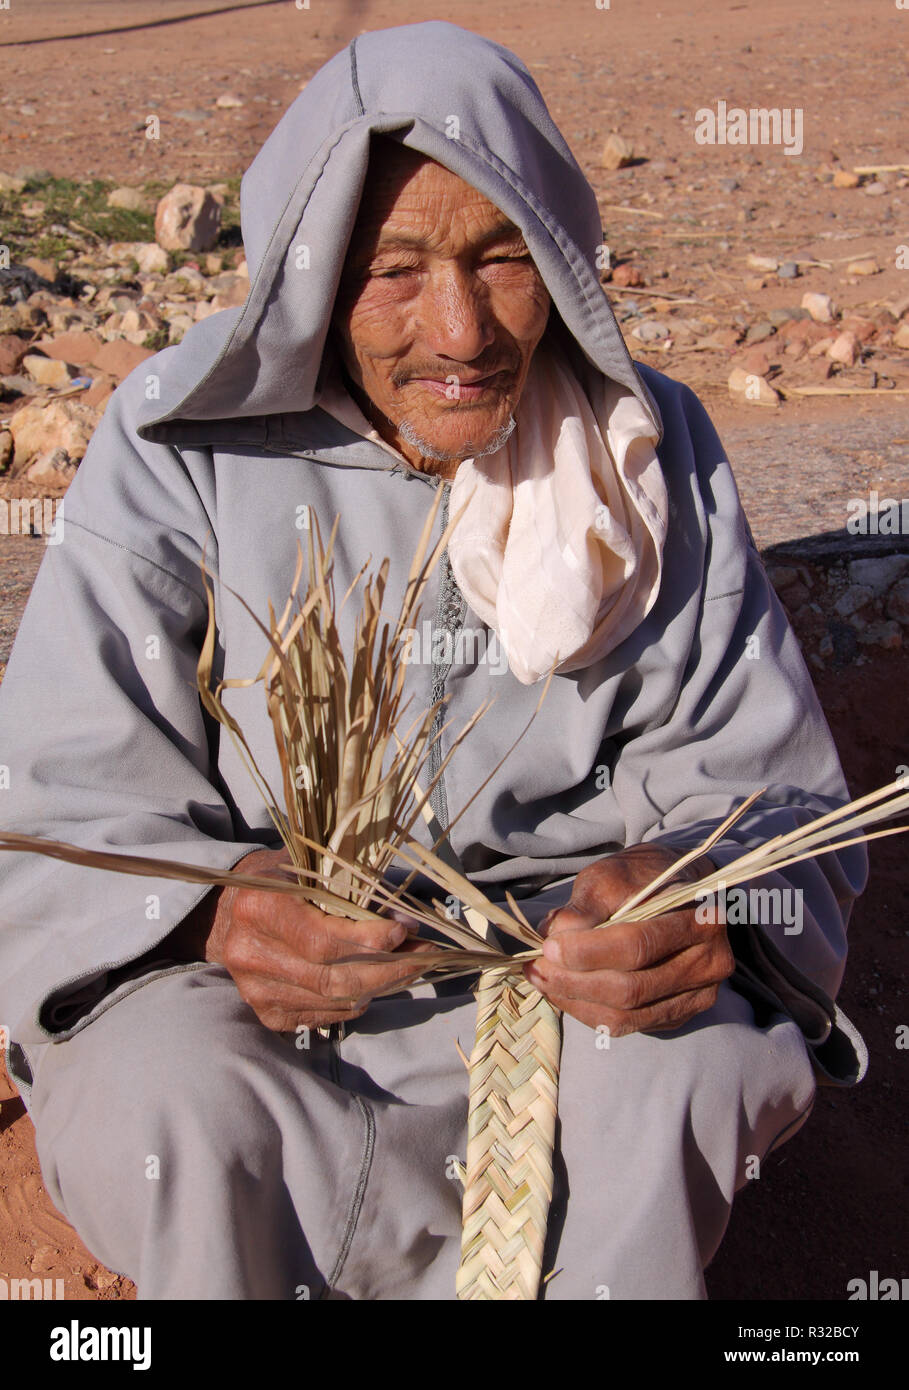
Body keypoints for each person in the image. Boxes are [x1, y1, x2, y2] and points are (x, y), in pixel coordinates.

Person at [0, 22, 867, 1300]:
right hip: (257, 992)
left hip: (564, 1003)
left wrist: (698, 900)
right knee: (171, 1093)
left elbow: (775, 801)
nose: (459, 330)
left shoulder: (644, 445)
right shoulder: (183, 445)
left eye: (502, 257)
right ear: (311, 279)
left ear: (562, 261)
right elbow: (59, 797)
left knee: (695, 1068)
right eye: (394, 271)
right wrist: (226, 905)